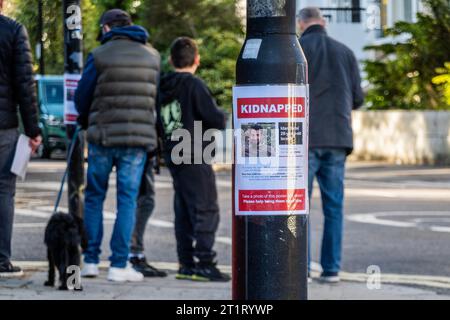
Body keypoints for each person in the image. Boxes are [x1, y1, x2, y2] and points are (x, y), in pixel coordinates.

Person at [74, 9, 160, 282]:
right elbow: (154, 99)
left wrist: (87, 118)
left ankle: (89, 261)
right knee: (127, 200)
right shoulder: (153, 57)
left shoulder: (98, 55)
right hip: (136, 141)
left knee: (94, 197)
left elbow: (81, 98)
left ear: (108, 28)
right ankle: (118, 266)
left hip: (102, 137)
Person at [297, 7, 364, 283]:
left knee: (300, 206)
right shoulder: (345, 52)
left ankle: (301, 267)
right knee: (334, 207)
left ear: (301, 23)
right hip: (337, 138)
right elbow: (358, 98)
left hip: (306, 140)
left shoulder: (297, 50)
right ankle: (331, 269)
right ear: (323, 22)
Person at [159, 37, 229, 282]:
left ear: (170, 60)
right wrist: (223, 114)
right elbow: (215, 119)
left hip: (174, 153)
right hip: (195, 152)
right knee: (206, 209)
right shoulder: (194, 85)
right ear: (197, 60)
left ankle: (186, 263)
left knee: (184, 211)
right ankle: (204, 263)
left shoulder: (163, 86)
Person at [0, 1, 42, 278]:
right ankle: (1, 258)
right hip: (4, 127)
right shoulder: (13, 30)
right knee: (4, 190)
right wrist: (33, 128)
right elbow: (25, 84)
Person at [129, 156, 167, 277]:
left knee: (134, 200)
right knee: (142, 201)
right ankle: (133, 254)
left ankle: (90, 259)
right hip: (139, 147)